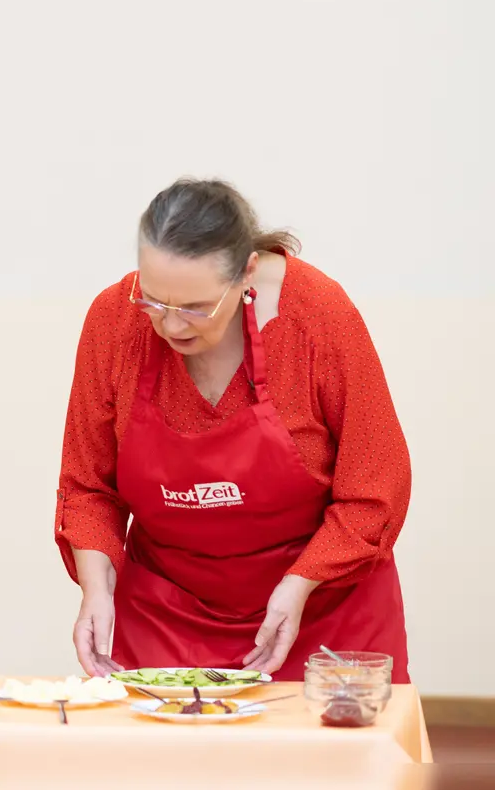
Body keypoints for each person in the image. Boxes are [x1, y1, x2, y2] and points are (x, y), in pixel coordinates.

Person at [55, 179, 410, 682]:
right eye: (154, 301)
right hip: (169, 616)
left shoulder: (317, 317)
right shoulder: (114, 323)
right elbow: (88, 486)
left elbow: (375, 487)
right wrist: (96, 588)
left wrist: (300, 585)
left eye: (196, 308)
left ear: (247, 272)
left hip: (320, 613)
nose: (172, 326)